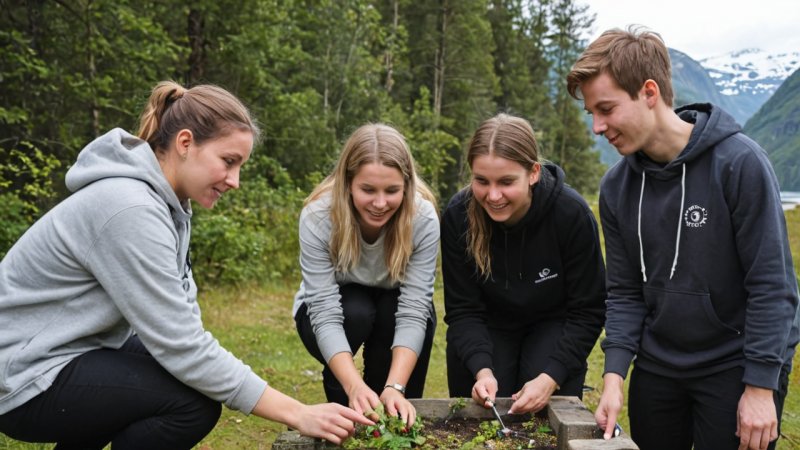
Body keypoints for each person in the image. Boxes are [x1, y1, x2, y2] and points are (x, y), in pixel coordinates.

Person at [0, 81, 372, 449]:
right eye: (229, 161)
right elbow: (181, 345)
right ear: (185, 143)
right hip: (23, 375)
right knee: (191, 405)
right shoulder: (130, 208)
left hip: (68, 352)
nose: (235, 181)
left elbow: (185, 322)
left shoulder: (169, 206)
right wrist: (297, 412)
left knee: (186, 383)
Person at [567, 27, 799, 450]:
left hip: (734, 366)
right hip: (658, 368)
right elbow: (624, 293)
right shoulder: (616, 188)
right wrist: (614, 378)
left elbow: (772, 287)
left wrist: (761, 386)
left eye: (606, 109)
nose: (597, 127)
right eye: (591, 114)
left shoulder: (740, 164)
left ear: (649, 92)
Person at [441, 113, 606, 416]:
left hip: (553, 322)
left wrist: (550, 377)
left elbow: (588, 310)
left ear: (533, 173)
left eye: (506, 182)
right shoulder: (457, 216)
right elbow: (463, 309)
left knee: (539, 408)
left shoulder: (571, 214)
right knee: (486, 411)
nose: (493, 196)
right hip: (488, 323)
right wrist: (482, 371)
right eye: (481, 181)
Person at [293, 123, 439, 428]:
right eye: (368, 190)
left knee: (396, 314)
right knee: (357, 310)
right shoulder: (318, 217)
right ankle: (343, 406)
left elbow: (414, 309)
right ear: (347, 183)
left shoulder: (423, 218)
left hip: (394, 307)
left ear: (407, 185)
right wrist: (353, 386)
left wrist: (395, 386)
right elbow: (324, 310)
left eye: (392, 191)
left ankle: (392, 413)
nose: (380, 203)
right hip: (331, 313)